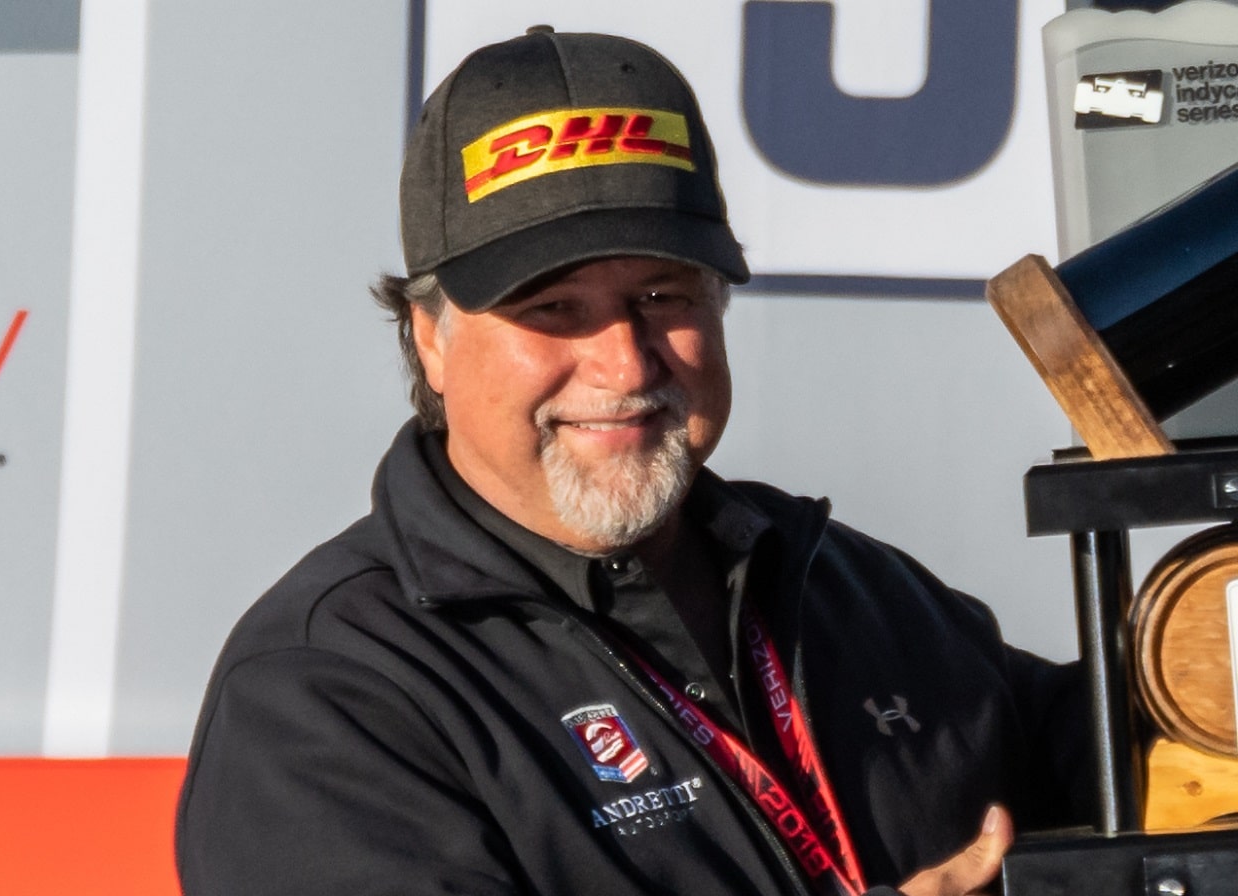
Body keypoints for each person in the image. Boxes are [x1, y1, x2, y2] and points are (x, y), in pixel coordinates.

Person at [176, 27, 1091, 896]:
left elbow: (1135, 753)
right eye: (555, 309)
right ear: (431, 341)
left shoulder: (840, 583)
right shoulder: (327, 695)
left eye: (662, 294)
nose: (625, 362)